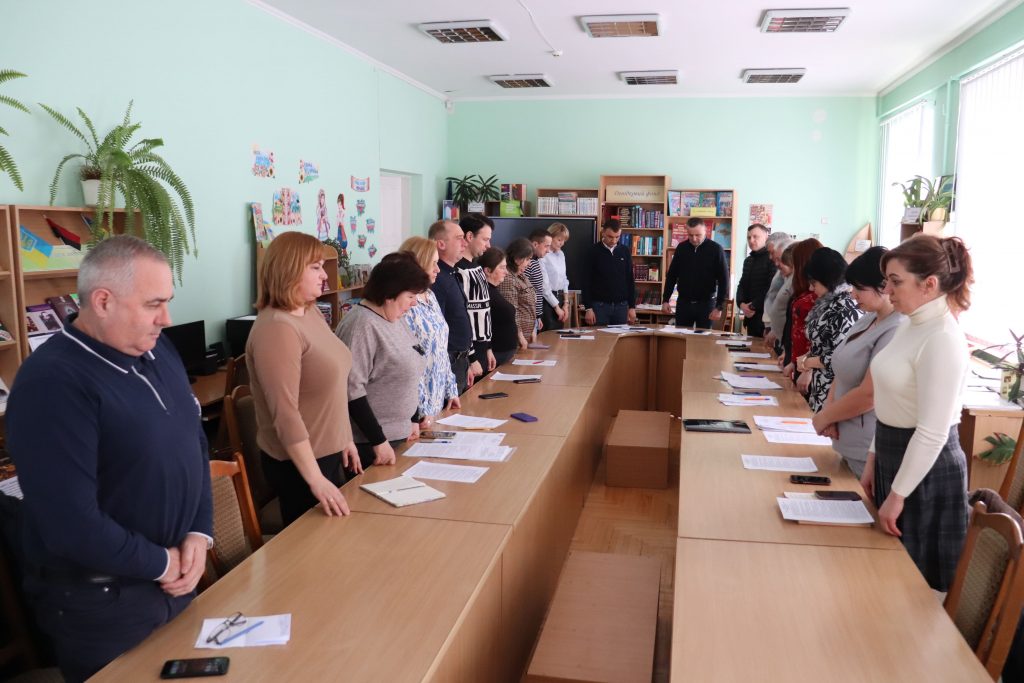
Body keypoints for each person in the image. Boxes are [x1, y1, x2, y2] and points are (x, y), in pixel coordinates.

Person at [6, 236, 213, 681]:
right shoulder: (53, 384)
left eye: (167, 302)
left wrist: (199, 534)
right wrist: (162, 562)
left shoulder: (158, 348)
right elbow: (70, 524)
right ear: (103, 301)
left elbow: (193, 441)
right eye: (154, 304)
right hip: (106, 606)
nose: (166, 318)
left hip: (177, 581)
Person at [865, 235, 973, 592]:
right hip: (894, 454)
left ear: (929, 284)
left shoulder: (942, 337)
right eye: (887, 281)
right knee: (885, 576)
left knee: (913, 587)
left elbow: (932, 432)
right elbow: (890, 399)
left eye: (895, 282)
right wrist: (873, 457)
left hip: (925, 470)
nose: (887, 290)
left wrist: (898, 494)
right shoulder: (911, 323)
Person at [247, 231, 358, 528]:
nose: (325, 275)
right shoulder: (277, 328)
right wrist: (316, 479)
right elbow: (285, 414)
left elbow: (331, 385)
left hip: (328, 453)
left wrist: (344, 436)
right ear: (290, 269)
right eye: (316, 267)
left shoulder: (310, 312)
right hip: (301, 466)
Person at [812, 247, 903, 478]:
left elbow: (869, 395)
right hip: (845, 440)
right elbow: (840, 367)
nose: (853, 295)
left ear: (883, 287)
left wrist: (826, 417)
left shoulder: (896, 328)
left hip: (867, 448)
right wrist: (830, 412)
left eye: (859, 288)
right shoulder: (868, 319)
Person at [336, 252, 430, 471]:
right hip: (372, 443)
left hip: (399, 435)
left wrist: (413, 417)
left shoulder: (393, 317)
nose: (415, 303)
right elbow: (351, 389)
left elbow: (409, 366)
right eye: (410, 296)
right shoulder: (361, 325)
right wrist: (378, 440)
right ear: (390, 294)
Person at [400, 236, 460, 424]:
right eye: (433, 263)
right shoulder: (406, 304)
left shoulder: (430, 296)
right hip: (418, 408)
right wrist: (422, 408)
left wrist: (451, 389)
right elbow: (408, 361)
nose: (438, 269)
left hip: (438, 401)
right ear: (418, 265)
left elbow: (441, 348)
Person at [797, 247, 861, 412]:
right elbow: (822, 344)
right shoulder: (829, 302)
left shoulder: (846, 307)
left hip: (834, 391)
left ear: (827, 279)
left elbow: (840, 355)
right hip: (820, 386)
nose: (811, 289)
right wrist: (807, 357)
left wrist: (807, 362)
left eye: (814, 283)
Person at [428, 220, 480, 394]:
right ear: (441, 244)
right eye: (459, 238)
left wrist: (467, 362)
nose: (465, 243)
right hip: (448, 361)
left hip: (460, 360)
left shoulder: (452, 273)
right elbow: (438, 330)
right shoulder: (436, 279)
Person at [662, 217, 729, 328]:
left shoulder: (716, 249)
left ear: (705, 231)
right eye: (690, 235)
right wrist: (665, 300)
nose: (694, 238)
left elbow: (724, 280)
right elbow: (671, 276)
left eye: (698, 235)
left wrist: (719, 307)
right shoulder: (681, 248)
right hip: (684, 303)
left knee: (704, 337)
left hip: (706, 304)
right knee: (680, 336)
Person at [456, 214, 495, 377]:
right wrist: (471, 358)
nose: (488, 245)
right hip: (469, 352)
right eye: (485, 239)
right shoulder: (460, 270)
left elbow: (484, 311)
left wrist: (488, 347)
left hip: (482, 347)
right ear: (470, 236)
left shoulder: (477, 267)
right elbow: (462, 316)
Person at [782, 238, 823, 381]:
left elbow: (815, 340)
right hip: (798, 361)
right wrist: (792, 359)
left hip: (808, 367)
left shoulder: (816, 296)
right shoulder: (803, 292)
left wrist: (807, 369)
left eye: (795, 265)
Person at [583, 219, 636, 326]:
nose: (614, 240)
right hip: (599, 306)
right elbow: (585, 281)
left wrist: (632, 307)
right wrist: (588, 308)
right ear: (603, 233)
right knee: (600, 336)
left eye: (617, 237)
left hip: (621, 307)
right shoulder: (592, 251)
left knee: (620, 337)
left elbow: (630, 280)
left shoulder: (625, 251)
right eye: (610, 237)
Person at [479, 247, 522, 366]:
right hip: (494, 357)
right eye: (502, 268)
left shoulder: (494, 290)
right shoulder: (483, 293)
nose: (506, 272)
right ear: (488, 270)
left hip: (504, 355)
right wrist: (488, 349)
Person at [735, 224, 777, 337]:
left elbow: (771, 287)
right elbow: (742, 285)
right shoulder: (748, 260)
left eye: (755, 237)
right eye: (749, 237)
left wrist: (752, 306)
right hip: (750, 317)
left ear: (766, 237)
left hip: (765, 318)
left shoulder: (772, 258)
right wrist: (741, 304)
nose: (751, 240)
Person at [498, 238, 537, 347]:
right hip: (516, 341)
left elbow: (529, 305)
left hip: (526, 337)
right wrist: (520, 336)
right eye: (528, 259)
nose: (529, 264)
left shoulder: (521, 275)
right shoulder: (508, 279)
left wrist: (533, 330)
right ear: (517, 259)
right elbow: (512, 312)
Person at [763, 233, 795, 348]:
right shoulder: (783, 272)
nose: (775, 262)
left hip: (785, 337)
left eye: (773, 253)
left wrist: (773, 329)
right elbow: (772, 296)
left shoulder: (794, 277)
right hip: (777, 332)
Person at [768, 240, 797, 357]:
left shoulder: (797, 281)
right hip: (782, 341)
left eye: (780, 260)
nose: (777, 264)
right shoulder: (787, 276)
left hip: (789, 345)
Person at [539, 223, 570, 331]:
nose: (562, 243)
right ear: (550, 237)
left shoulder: (561, 254)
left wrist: (565, 303)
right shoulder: (543, 255)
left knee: (558, 334)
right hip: (547, 301)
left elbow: (564, 279)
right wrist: (556, 307)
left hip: (560, 298)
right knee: (548, 334)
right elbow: (544, 286)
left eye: (564, 240)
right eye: (559, 240)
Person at [524, 228, 553, 332]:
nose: (548, 250)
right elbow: (524, 293)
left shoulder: (536, 261)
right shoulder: (527, 264)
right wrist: (534, 317)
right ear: (535, 244)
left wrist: (538, 316)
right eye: (546, 246)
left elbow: (537, 291)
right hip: (527, 318)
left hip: (534, 317)